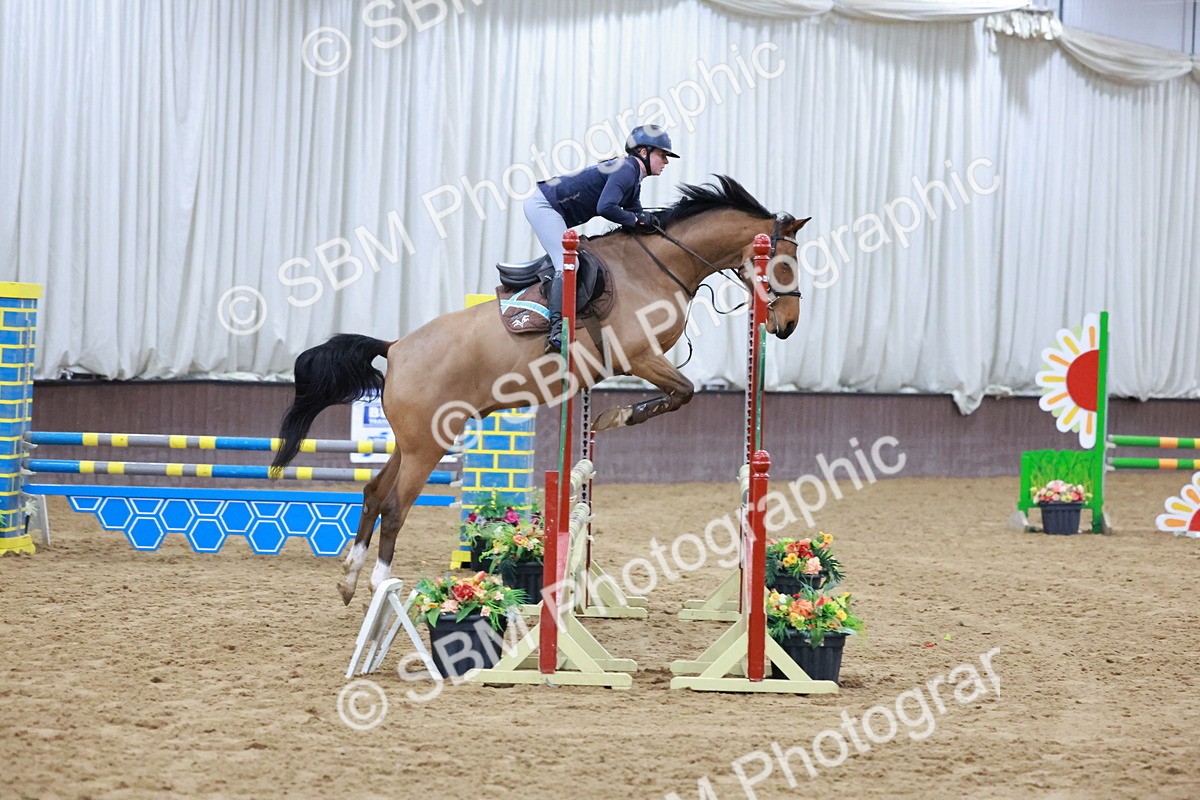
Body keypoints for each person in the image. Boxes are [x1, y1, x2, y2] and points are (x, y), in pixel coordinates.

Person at [523, 124, 680, 353]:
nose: (666, 161)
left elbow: (635, 215)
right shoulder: (627, 169)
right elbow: (606, 207)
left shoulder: (633, 176)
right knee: (568, 263)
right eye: (662, 154)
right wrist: (637, 219)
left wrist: (655, 222)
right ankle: (557, 330)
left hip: (552, 207)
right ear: (643, 152)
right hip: (543, 205)